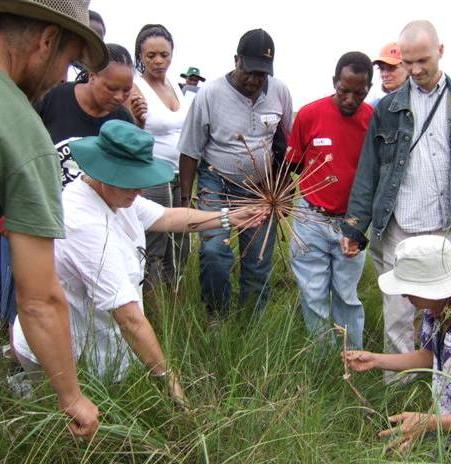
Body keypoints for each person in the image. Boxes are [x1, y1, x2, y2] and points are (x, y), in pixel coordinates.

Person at [12, 120, 267, 400]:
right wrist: (169, 380)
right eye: (132, 183)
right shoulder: (84, 223)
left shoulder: (115, 196)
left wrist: (229, 216)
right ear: (103, 173)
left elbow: (169, 217)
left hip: (96, 341)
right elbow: (129, 318)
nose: (140, 192)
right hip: (66, 354)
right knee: (71, 424)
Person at [341, 20, 451, 381]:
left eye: (422, 61)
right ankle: (398, 388)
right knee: (399, 312)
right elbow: (369, 169)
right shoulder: (388, 107)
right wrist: (355, 226)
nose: (415, 70)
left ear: (440, 51)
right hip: (401, 225)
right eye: (408, 62)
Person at [0, 0, 108, 437]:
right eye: (69, 62)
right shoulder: (22, 131)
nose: (64, 78)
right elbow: (40, 299)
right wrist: (71, 396)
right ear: (46, 40)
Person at [179, 28, 292, 318]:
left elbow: (285, 143)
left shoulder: (280, 92)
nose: (255, 80)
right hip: (216, 182)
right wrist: (184, 199)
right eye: (250, 71)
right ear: (236, 60)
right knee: (215, 251)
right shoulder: (210, 95)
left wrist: (283, 188)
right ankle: (217, 315)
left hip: (261, 187)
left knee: (258, 257)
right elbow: (190, 151)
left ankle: (251, 322)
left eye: (262, 74)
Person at [344, 235, 451, 452]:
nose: (403, 294)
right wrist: (375, 360)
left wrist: (429, 423)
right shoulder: (437, 312)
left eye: (409, 288)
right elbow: (430, 356)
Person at [287, 52, 373, 349]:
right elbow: (294, 164)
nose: (350, 99)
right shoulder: (310, 114)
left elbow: (373, 174)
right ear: (334, 82)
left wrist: (357, 227)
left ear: (368, 89)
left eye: (358, 93)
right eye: (343, 91)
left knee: (346, 295)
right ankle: (322, 361)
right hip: (310, 218)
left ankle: (354, 359)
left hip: (350, 222)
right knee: (313, 294)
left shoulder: (371, 122)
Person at [129, 24, 191, 288]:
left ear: (172, 55)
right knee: (155, 242)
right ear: (140, 56)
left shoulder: (177, 87)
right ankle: (151, 304)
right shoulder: (135, 86)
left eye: (164, 55)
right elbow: (130, 132)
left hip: (180, 175)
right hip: (152, 174)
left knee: (181, 241)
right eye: (150, 55)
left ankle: (174, 298)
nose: (158, 61)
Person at [37, 43, 134, 188]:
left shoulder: (123, 120)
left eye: (126, 90)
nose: (119, 97)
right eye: (111, 88)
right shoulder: (52, 98)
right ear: (92, 76)